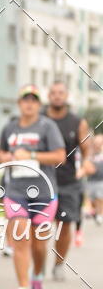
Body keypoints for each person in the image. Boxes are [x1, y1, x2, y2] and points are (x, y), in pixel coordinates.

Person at [0, 85, 65, 289]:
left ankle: (37, 275)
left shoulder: (48, 126)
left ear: (39, 104)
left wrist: (32, 154)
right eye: (25, 99)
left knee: (38, 245)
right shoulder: (9, 128)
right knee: (21, 240)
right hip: (16, 192)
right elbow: (1, 154)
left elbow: (59, 156)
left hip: (44, 193)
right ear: (19, 103)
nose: (29, 103)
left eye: (33, 100)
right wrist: (6, 156)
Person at [45, 81, 93, 278]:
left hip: (68, 181)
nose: (57, 96)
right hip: (40, 180)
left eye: (61, 92)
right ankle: (35, 262)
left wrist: (87, 163)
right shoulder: (39, 119)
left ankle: (58, 263)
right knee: (35, 225)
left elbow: (87, 149)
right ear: (49, 96)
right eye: (54, 92)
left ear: (66, 96)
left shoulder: (77, 122)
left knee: (65, 224)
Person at [86, 134, 103, 225]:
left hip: (101, 180)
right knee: (92, 200)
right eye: (96, 142)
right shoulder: (90, 154)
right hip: (91, 180)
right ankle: (95, 212)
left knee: (100, 198)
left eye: (99, 142)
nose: (98, 144)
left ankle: (100, 215)